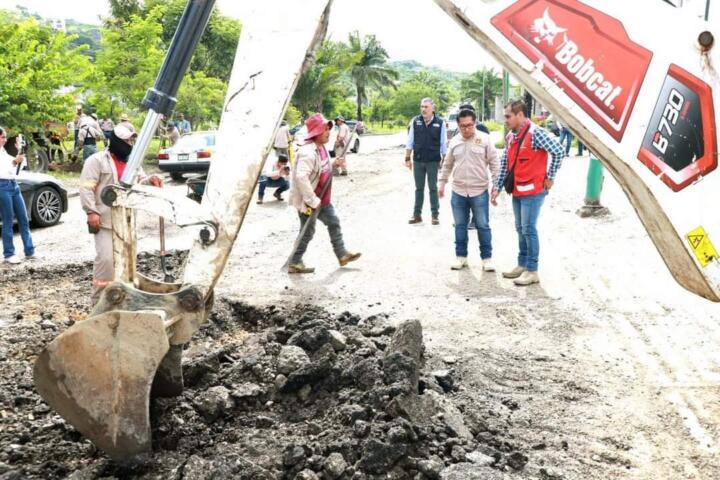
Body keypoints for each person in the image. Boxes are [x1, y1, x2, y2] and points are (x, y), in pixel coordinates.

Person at [80, 124, 163, 305]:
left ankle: (122, 301)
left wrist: (151, 180)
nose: (129, 143)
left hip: (126, 221)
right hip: (105, 221)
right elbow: (86, 188)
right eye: (125, 140)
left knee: (127, 262)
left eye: (131, 140)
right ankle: (98, 303)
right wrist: (91, 211)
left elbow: (140, 181)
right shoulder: (96, 160)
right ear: (115, 141)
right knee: (106, 261)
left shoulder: (132, 162)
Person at [491, 100, 564, 286]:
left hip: (534, 191)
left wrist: (550, 176)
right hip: (517, 190)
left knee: (529, 228)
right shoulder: (511, 137)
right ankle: (522, 264)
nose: (505, 119)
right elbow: (505, 165)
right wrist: (497, 188)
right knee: (520, 228)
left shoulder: (536, 133)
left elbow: (559, 151)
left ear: (520, 115)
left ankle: (532, 270)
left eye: (508, 116)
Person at [287, 113, 361, 274]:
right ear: (316, 132)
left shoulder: (321, 148)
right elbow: (301, 177)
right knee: (307, 232)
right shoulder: (307, 152)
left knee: (333, 222)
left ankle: (342, 254)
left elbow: (322, 169)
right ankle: (294, 262)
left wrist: (335, 163)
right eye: (324, 129)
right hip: (311, 201)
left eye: (328, 129)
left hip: (323, 199)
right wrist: (312, 200)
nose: (328, 132)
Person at [439, 109, 499, 271]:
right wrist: (442, 183)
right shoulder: (454, 141)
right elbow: (447, 164)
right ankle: (461, 257)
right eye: (463, 126)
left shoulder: (485, 140)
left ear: (475, 123)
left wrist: (496, 185)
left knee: (483, 225)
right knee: (460, 225)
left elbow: (495, 164)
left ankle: (487, 259)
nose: (466, 129)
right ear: (458, 125)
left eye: (470, 125)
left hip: (479, 191)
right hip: (458, 191)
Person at [405, 97, 447, 225]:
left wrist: (444, 159)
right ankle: (417, 215)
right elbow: (410, 140)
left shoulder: (440, 123)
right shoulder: (415, 121)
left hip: (433, 161)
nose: (423, 109)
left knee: (433, 188)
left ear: (432, 108)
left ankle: (435, 215)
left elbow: (443, 142)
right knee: (419, 188)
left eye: (426, 107)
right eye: (422, 107)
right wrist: (407, 157)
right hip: (418, 160)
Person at [0, 128, 34, 264]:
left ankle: (30, 250)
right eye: (2, 137)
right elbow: (5, 167)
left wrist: (20, 152)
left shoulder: (4, 152)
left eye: (5, 137)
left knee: (23, 218)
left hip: (14, 185)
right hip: (2, 186)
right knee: (8, 220)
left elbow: (15, 169)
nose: (5, 139)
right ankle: (9, 253)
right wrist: (15, 161)